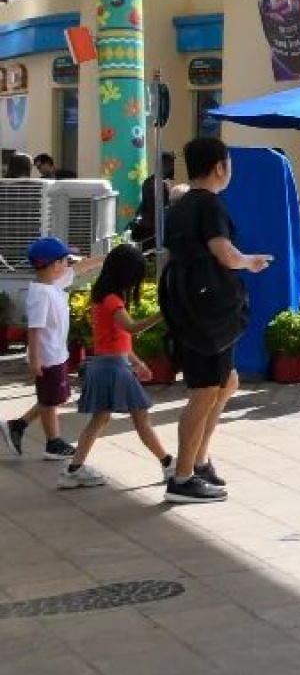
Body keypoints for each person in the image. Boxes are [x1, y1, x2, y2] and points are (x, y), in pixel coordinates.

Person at [163, 137, 271, 504]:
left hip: (189, 304)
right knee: (204, 391)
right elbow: (224, 253)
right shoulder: (209, 204)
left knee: (227, 382)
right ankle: (182, 478)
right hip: (206, 311)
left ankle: (199, 460)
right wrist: (249, 262)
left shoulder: (181, 205)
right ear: (220, 168)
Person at [62, 244, 174, 490]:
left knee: (101, 419)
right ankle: (168, 464)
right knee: (139, 417)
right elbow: (130, 328)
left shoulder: (104, 297)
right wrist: (163, 314)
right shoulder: (113, 300)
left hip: (108, 365)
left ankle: (74, 469)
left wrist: (137, 362)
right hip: (113, 368)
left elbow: (117, 340)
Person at [4, 237, 104, 464]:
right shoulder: (41, 293)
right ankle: (52, 443)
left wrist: (105, 258)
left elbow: (79, 268)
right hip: (47, 356)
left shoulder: (53, 283)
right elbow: (34, 328)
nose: (69, 265)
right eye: (66, 260)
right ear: (55, 265)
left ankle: (18, 426)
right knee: (50, 400)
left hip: (55, 353)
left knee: (52, 397)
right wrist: (35, 359)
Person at [130, 152, 178, 249]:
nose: (172, 168)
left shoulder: (148, 181)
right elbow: (166, 208)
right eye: (170, 165)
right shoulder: (163, 184)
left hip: (145, 226)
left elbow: (144, 205)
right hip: (155, 229)